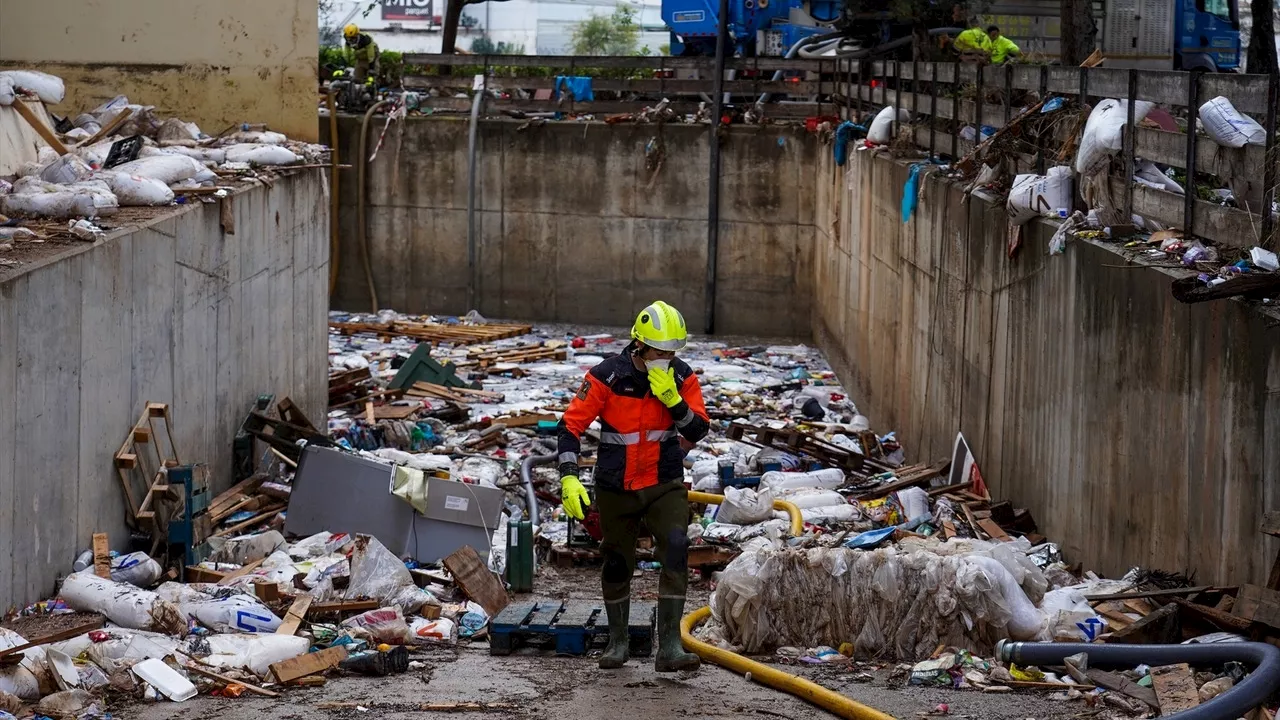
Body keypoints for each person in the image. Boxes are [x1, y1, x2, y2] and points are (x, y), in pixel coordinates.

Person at [557, 301, 710, 672]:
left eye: (673, 352)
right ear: (639, 345)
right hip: (616, 486)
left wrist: (674, 402)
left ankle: (670, 647)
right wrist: (569, 476)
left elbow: (698, 430)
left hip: (664, 481)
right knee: (616, 561)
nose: (667, 358)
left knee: (676, 547)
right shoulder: (607, 377)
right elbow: (569, 427)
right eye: (660, 351)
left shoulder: (681, 377)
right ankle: (618, 641)